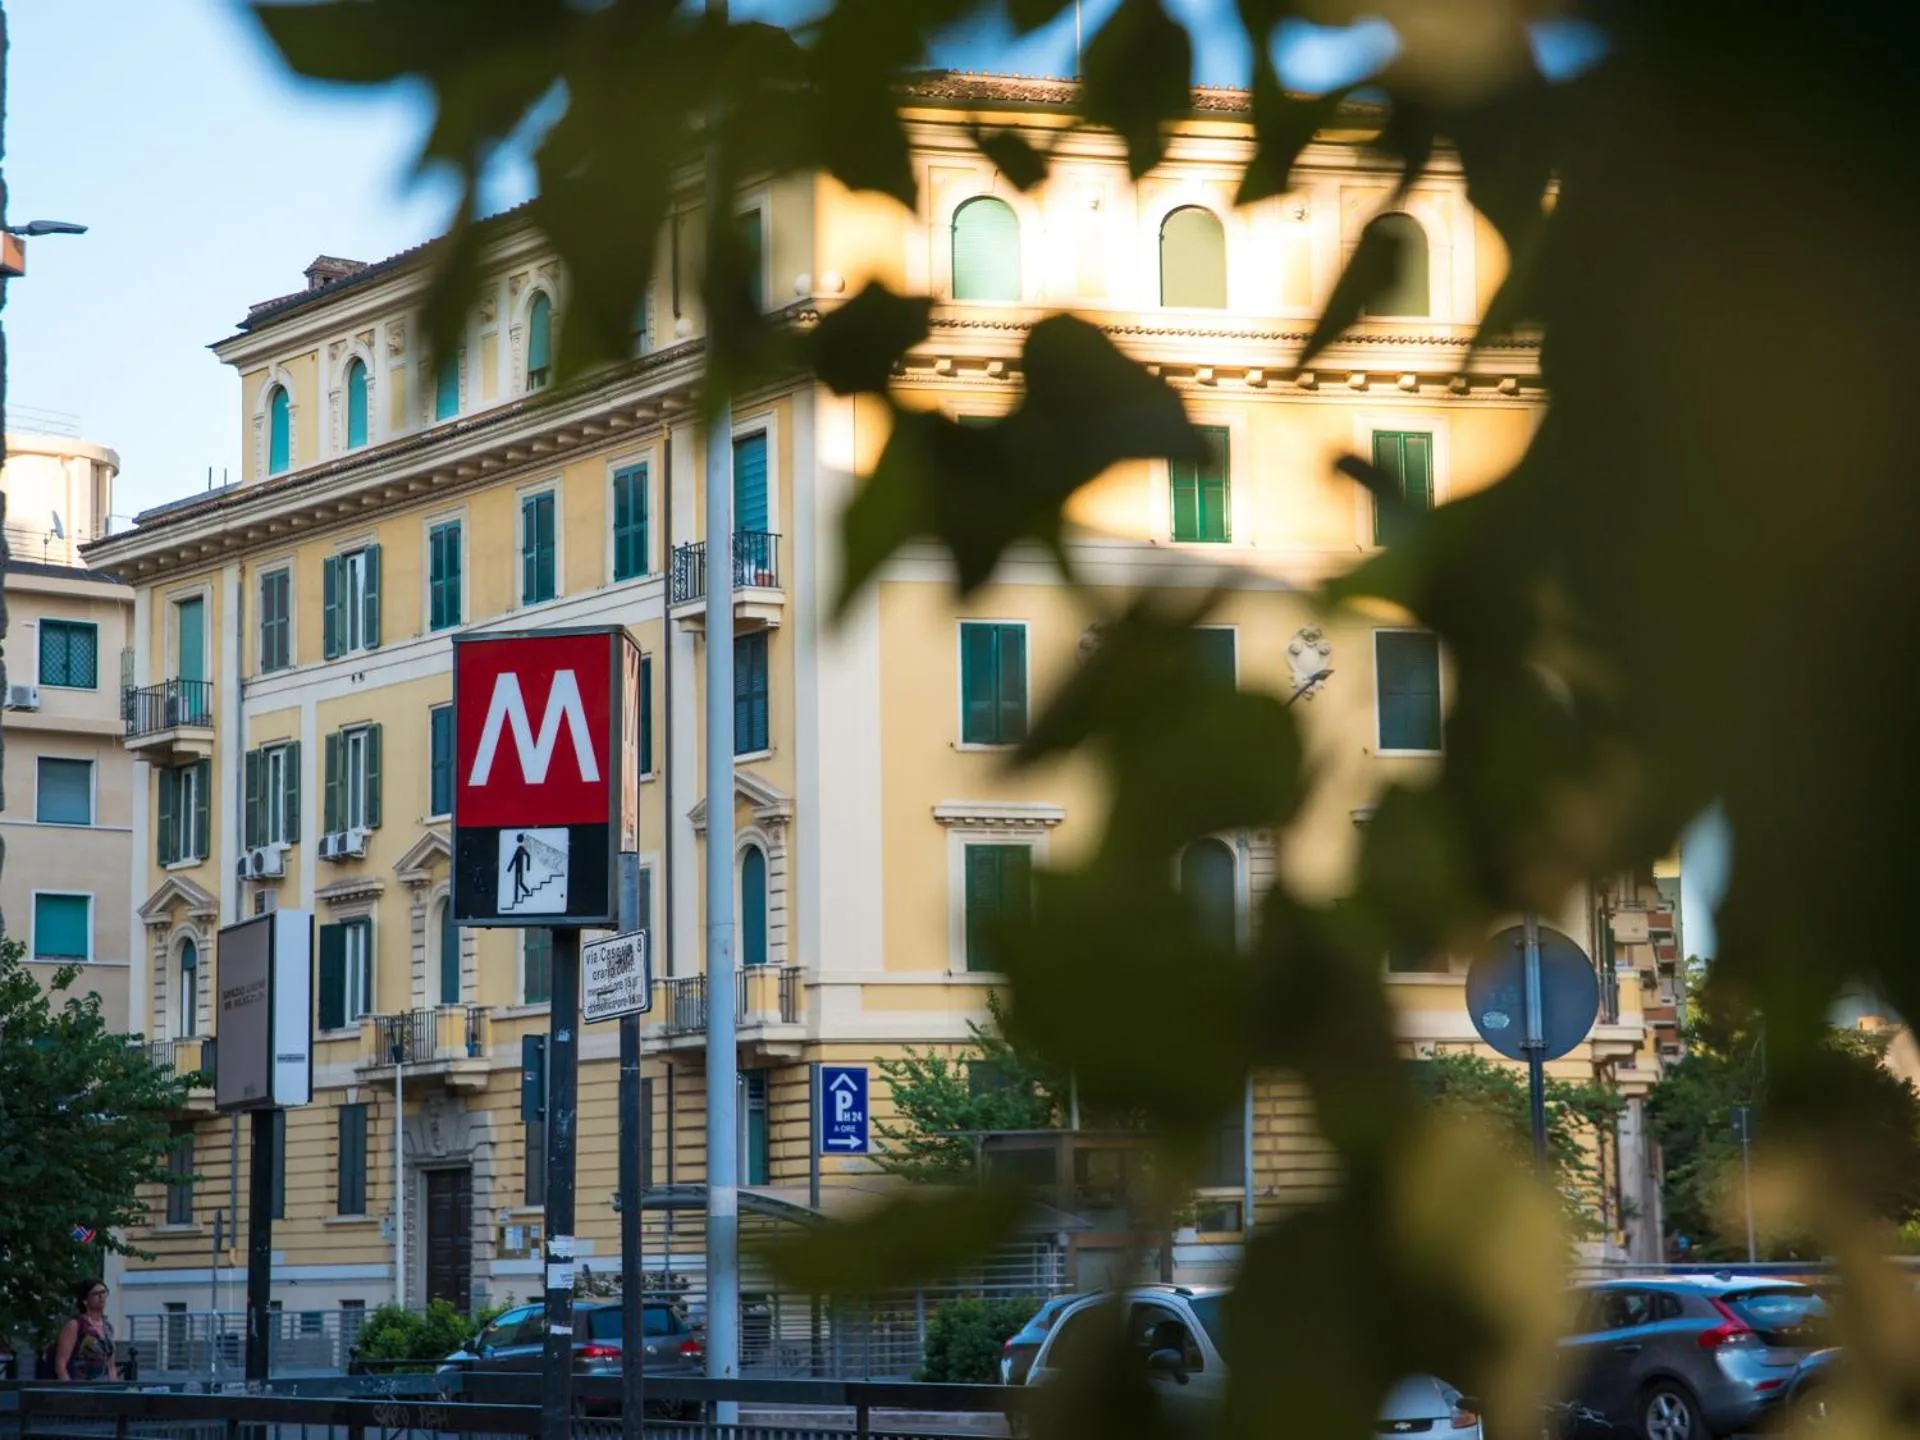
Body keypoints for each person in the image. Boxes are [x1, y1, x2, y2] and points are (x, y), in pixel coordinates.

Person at [54, 1279, 116, 1382]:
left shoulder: (108, 1327)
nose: (101, 1297)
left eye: (103, 1292)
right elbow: (60, 1365)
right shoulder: (75, 1325)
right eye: (96, 1294)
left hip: (104, 1388)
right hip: (81, 1386)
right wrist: (70, 1391)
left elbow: (111, 1365)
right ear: (85, 1300)